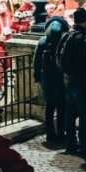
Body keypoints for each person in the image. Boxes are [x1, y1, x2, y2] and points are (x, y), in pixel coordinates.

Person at [59, 7, 86, 156]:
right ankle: (84, 146)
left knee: (70, 114)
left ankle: (70, 144)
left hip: (69, 80)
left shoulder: (67, 35)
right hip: (84, 82)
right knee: (84, 115)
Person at [33, 15, 69, 143]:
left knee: (50, 106)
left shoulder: (43, 41)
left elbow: (36, 61)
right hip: (61, 78)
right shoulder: (64, 40)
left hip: (47, 78)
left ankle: (50, 133)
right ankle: (61, 133)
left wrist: (37, 76)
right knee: (61, 107)